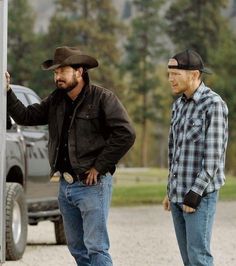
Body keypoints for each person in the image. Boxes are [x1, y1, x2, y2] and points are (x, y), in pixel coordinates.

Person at [6, 46, 136, 266]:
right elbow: (26, 116)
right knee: (77, 249)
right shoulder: (56, 100)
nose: (57, 77)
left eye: (62, 71)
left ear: (79, 71)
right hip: (65, 187)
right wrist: (7, 91)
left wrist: (99, 166)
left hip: (92, 185)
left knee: (97, 248)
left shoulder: (103, 98)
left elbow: (126, 134)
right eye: (56, 72)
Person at [162, 49, 228, 266]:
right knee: (188, 259)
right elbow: (174, 151)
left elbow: (214, 157)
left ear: (194, 74)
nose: (170, 79)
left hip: (199, 195)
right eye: (169, 74)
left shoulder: (213, 104)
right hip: (178, 193)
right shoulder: (178, 105)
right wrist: (169, 190)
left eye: (175, 74)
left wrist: (195, 193)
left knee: (198, 257)